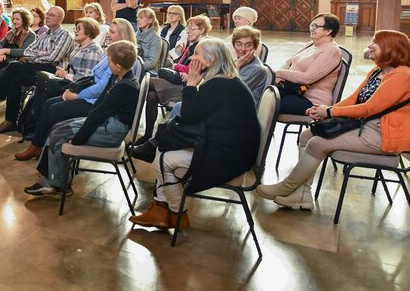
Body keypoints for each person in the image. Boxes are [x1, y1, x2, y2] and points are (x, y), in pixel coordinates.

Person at [257, 30, 410, 210]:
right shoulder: (378, 71)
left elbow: (370, 108)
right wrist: (326, 110)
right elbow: (354, 98)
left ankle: (287, 186)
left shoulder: (402, 75)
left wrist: (330, 112)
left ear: (391, 48)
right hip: (366, 125)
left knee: (317, 143)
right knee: (307, 135)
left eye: (375, 43)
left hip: (383, 133)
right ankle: (303, 194)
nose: (369, 46)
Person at [128, 37, 259, 230]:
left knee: (165, 158)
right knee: (164, 150)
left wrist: (190, 84)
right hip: (227, 145)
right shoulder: (225, 80)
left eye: (196, 54)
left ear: (211, 59)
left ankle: (176, 213)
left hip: (229, 156)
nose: (191, 59)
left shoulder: (219, 85)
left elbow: (189, 116)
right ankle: (161, 209)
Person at [23, 41, 140, 196]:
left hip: (111, 131)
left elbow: (99, 115)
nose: (107, 64)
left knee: (58, 136)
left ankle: (57, 184)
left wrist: (78, 138)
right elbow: (99, 106)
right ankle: (53, 177)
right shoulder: (117, 77)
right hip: (107, 123)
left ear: (118, 66)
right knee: (57, 128)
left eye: (109, 61)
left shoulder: (125, 87)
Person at [14, 17, 135, 161]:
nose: (108, 35)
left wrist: (77, 95)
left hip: (95, 102)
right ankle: (37, 146)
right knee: (48, 102)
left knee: (54, 109)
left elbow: (101, 88)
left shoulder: (117, 59)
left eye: (112, 32)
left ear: (122, 35)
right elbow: (92, 78)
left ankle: (50, 154)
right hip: (90, 93)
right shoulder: (110, 53)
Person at [0, 6, 75, 134]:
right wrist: (41, 53)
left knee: (14, 66)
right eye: (47, 14)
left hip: (54, 72)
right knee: (15, 79)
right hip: (37, 68)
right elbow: (27, 51)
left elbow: (53, 57)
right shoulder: (43, 35)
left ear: (60, 18)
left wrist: (36, 55)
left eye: (51, 15)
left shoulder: (65, 35)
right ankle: (10, 121)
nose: (47, 17)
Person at [139, 15, 212, 144]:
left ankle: (127, 119)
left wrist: (176, 66)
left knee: (145, 84)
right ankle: (148, 135)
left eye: (192, 29)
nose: (188, 31)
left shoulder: (202, 47)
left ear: (202, 30)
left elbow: (191, 70)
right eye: (188, 28)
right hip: (179, 81)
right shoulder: (191, 45)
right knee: (150, 95)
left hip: (187, 87)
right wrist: (178, 67)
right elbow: (183, 66)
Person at [277, 13, 342, 115]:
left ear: (328, 31)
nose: (312, 29)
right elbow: (288, 61)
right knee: (260, 94)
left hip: (311, 101)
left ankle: (259, 130)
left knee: (268, 102)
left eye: (316, 26)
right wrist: (277, 77)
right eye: (312, 25)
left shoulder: (331, 51)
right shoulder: (311, 44)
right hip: (293, 90)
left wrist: (279, 73)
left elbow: (307, 78)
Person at [136, 7, 161, 77]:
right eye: (137, 17)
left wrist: (136, 66)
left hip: (149, 71)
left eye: (141, 18)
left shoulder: (156, 38)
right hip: (136, 66)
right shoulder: (136, 34)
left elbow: (152, 62)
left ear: (150, 20)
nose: (138, 19)